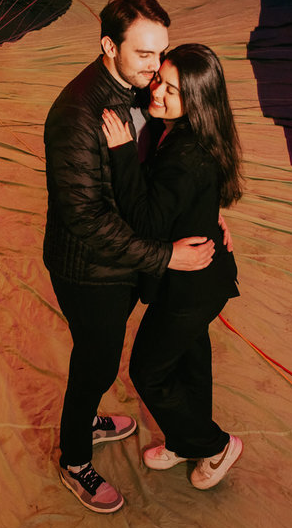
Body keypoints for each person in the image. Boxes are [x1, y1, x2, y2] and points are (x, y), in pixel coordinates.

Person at [43, 0, 216, 514]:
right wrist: (167, 258)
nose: (156, 67)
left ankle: (89, 420)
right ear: (108, 46)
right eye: (144, 54)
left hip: (125, 262)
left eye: (160, 52)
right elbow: (86, 221)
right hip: (90, 269)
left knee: (105, 358)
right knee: (94, 366)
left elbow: (155, 177)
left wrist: (207, 216)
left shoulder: (142, 88)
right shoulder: (76, 115)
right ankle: (74, 458)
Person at [100, 43, 245, 491]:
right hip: (204, 274)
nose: (157, 93)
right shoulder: (191, 132)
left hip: (190, 286)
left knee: (149, 370)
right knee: (191, 363)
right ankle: (187, 442)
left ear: (197, 102)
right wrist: (209, 213)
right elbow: (193, 194)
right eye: (160, 79)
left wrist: (122, 150)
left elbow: (144, 221)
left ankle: (213, 444)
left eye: (172, 91)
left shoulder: (185, 156)